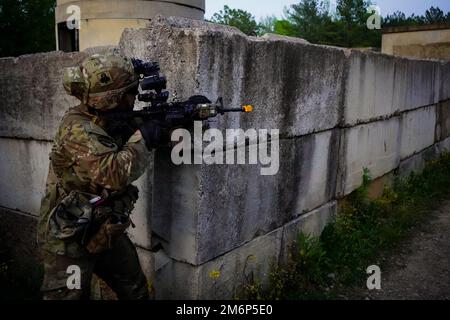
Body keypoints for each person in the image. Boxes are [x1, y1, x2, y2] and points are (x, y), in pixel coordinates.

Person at [37, 51, 164, 300]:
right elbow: (113, 173)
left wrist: (174, 119)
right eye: (130, 92)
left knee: (135, 288)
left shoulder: (108, 117)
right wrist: (145, 137)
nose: (135, 97)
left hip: (104, 227)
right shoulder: (77, 128)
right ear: (111, 99)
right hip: (69, 235)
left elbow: (135, 126)